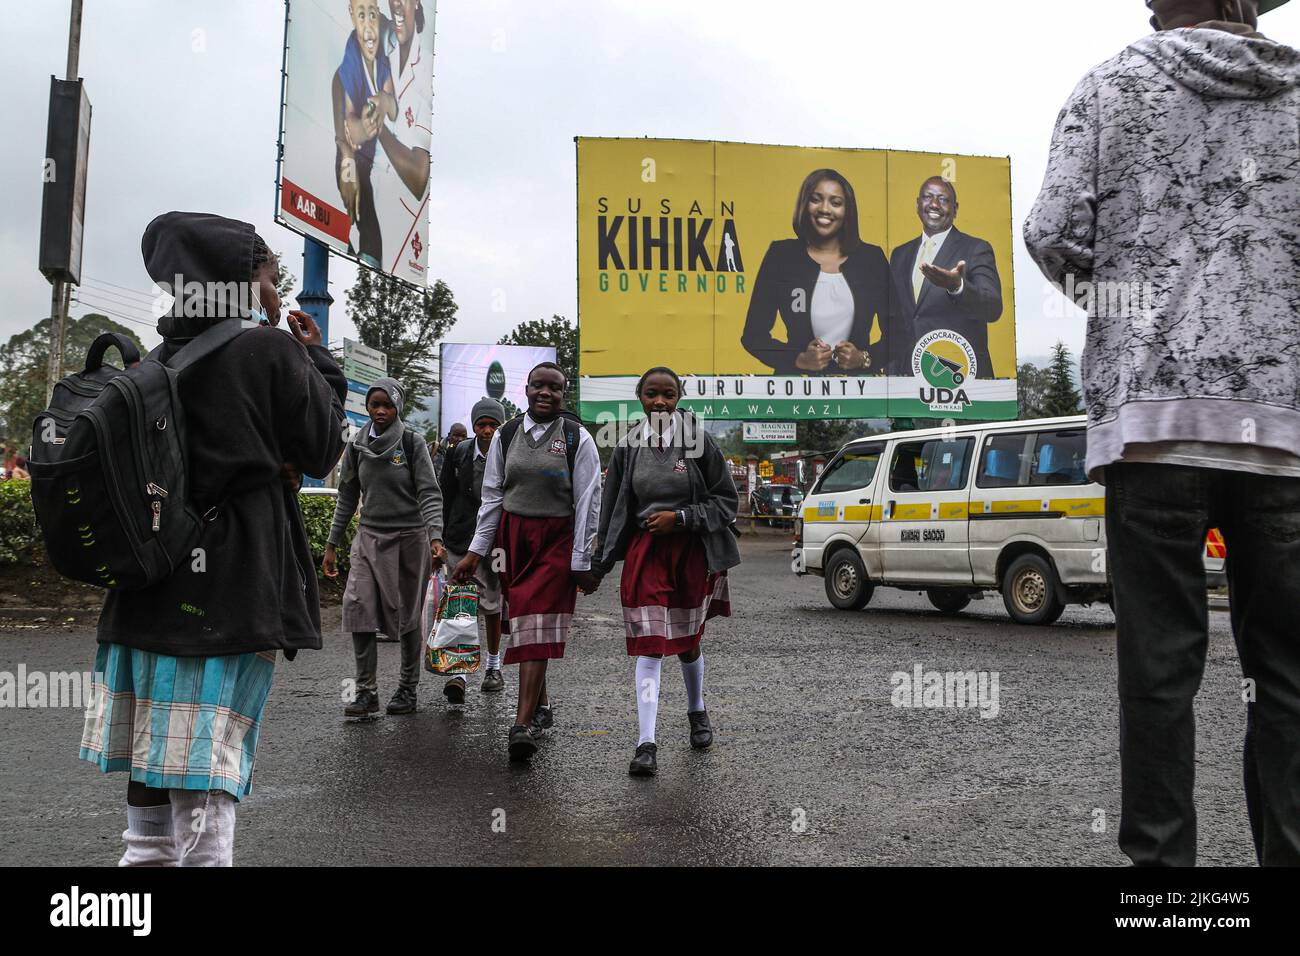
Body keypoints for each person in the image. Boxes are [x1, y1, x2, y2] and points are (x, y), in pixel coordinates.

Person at [1024, 0, 1300, 866]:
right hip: (1285, 433)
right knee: (1288, 683)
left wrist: (1133, 312)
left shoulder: (1111, 86)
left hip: (1151, 434)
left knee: (1158, 679)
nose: (1144, 4)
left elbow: (1052, 233)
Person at [77, 212, 347, 866]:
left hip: (144, 596)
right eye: (271, 276)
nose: (277, 291)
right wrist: (315, 357)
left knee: (147, 826)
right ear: (243, 279)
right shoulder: (268, 350)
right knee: (203, 815)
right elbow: (322, 445)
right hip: (224, 597)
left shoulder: (153, 362)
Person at [452, 363, 602, 762]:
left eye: (555, 388)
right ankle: (542, 707)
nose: (545, 393)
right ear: (527, 388)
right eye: (539, 385)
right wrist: (476, 551)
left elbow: (589, 501)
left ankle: (520, 725)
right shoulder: (505, 434)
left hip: (556, 541)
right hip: (513, 541)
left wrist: (581, 560)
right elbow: (492, 497)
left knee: (535, 623)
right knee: (523, 625)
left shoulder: (577, 438)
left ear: (563, 394)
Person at [594, 367, 739, 776]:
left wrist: (681, 517)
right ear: (639, 397)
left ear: (679, 398)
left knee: (687, 643)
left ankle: (697, 710)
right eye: (651, 394)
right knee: (650, 644)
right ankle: (646, 743)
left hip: (693, 553)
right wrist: (599, 563)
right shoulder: (627, 447)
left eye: (668, 394)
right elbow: (613, 507)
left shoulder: (699, 443)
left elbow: (727, 503)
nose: (660, 401)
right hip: (647, 554)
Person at [324, 376, 445, 718]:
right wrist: (332, 544)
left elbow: (429, 492)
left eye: (387, 405)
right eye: (374, 404)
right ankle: (366, 692)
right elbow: (347, 495)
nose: (379, 411)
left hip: (409, 538)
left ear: (398, 407)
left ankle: (407, 689)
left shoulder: (412, 442)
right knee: (357, 607)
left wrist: (435, 537)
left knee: (407, 614)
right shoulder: (357, 445)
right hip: (369, 536)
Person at [741, 168, 894, 375]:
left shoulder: (871, 259)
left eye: (836, 202)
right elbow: (753, 336)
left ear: (848, 210)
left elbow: (900, 334)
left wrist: (864, 358)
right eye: (816, 199)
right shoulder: (781, 256)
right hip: (796, 392)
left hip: (859, 394)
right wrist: (798, 359)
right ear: (805, 205)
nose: (825, 209)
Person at [888, 176, 1003, 378]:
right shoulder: (899, 255)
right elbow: (896, 320)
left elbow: (992, 307)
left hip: (959, 379)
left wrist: (957, 286)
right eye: (928, 197)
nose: (934, 204)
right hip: (906, 382)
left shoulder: (976, 249)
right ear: (917, 204)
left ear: (955, 208)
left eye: (943, 199)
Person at [439, 398, 507, 700]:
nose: (487, 430)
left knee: (493, 604)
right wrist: (438, 538)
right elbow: (445, 495)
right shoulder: (458, 453)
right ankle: (459, 671)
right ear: (474, 425)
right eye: (482, 424)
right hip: (459, 538)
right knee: (460, 602)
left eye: (493, 425)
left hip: (496, 542)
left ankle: (494, 666)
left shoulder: (508, 452)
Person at [371, 0, 433, 283]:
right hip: (373, 216)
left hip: (400, 237)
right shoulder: (392, 52)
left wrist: (379, 130)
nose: (395, 2)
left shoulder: (423, 77)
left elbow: (419, 178)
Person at [331, 0, 397, 268]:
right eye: (362, 15)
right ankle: (345, 244)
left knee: (367, 227)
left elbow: (391, 106)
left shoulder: (381, 61)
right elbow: (348, 125)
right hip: (351, 163)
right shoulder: (351, 62)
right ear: (352, 16)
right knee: (359, 214)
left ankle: (359, 249)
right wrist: (355, 135)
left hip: (366, 166)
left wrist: (384, 100)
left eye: (373, 14)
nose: (369, 24)